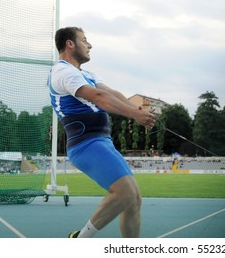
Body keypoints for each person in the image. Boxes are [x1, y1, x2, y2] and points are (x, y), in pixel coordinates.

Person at [48, 27, 155, 238]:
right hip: (86, 144)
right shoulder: (63, 72)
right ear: (70, 44)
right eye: (84, 40)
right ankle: (80, 240)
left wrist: (137, 111)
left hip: (102, 141)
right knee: (125, 193)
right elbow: (98, 97)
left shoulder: (85, 73)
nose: (90, 45)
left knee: (134, 199)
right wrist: (134, 115)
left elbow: (111, 93)